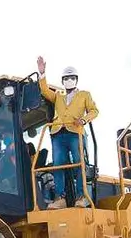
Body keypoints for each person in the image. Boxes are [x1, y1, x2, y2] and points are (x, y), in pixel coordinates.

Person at [36, 55, 99, 209]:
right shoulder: (58, 96)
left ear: (76, 79)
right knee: (58, 165)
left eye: (71, 78)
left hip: (75, 132)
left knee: (79, 163)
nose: (68, 80)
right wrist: (42, 73)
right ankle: (60, 198)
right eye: (66, 78)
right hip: (58, 133)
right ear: (63, 81)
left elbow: (94, 111)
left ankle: (81, 196)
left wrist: (83, 120)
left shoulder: (85, 95)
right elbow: (44, 90)